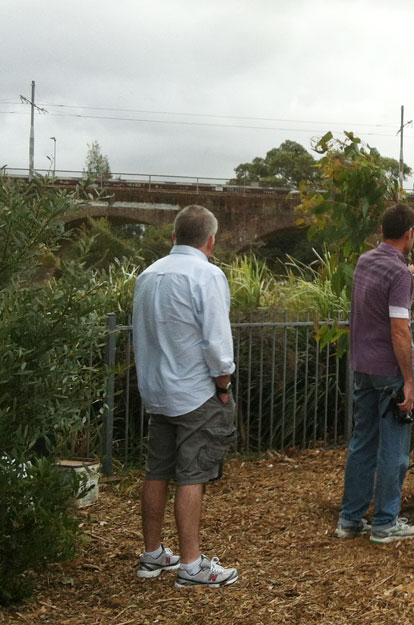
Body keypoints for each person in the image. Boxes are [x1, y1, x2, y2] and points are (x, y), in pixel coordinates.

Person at [133, 204, 239, 588]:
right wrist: (223, 385)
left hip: (157, 389)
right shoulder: (207, 275)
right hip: (195, 391)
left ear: (173, 237)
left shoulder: (147, 275)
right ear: (211, 240)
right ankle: (192, 565)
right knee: (191, 474)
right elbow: (216, 341)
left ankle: (152, 554)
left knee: (157, 469)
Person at [335, 203, 414, 545]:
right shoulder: (399, 274)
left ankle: (350, 519)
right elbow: (399, 330)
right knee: (394, 449)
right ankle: (386, 522)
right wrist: (407, 381)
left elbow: (382, 291)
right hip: (390, 371)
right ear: (410, 234)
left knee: (363, 442)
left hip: (362, 367)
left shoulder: (366, 261)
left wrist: (406, 272)